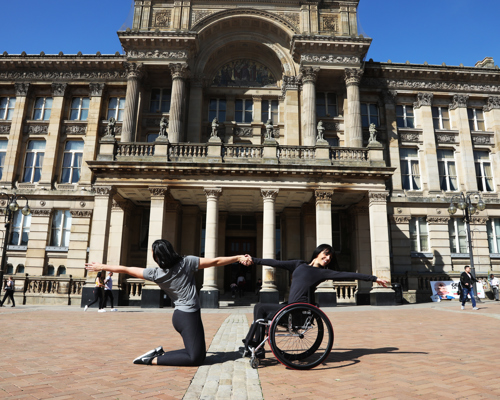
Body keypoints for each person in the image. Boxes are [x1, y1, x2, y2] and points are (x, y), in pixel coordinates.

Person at [85, 239, 251, 366]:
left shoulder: (155, 273)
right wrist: (237, 257)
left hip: (181, 316)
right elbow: (216, 261)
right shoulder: (187, 262)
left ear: (157, 257)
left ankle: (158, 354)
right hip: (188, 317)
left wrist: (102, 266)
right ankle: (151, 359)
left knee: (197, 354)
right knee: (195, 358)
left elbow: (127, 269)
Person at [242, 244, 389, 358]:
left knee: (260, 308)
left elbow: (347, 274)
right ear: (318, 252)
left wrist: (374, 279)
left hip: (298, 311)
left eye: (330, 258)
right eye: (326, 254)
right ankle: (257, 347)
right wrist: (253, 260)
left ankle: (252, 343)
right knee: (259, 308)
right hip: (288, 308)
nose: (327, 259)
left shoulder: (323, 272)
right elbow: (275, 263)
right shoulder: (299, 264)